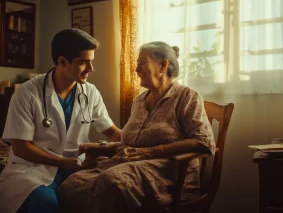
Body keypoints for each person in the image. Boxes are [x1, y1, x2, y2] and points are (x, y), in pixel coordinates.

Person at [58, 41, 216, 213]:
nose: (136, 69)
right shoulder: (139, 101)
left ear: (163, 65)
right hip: (128, 166)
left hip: (169, 174)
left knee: (112, 182)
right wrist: (102, 148)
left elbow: (203, 141)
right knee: (71, 185)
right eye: (137, 64)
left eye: (143, 63)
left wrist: (152, 152)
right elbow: (131, 145)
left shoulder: (187, 97)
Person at [0, 28, 121, 213]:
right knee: (45, 204)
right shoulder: (27, 93)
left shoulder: (90, 92)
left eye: (91, 62)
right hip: (33, 169)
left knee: (108, 196)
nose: (91, 69)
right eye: (83, 62)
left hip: (76, 168)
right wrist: (63, 162)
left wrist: (140, 141)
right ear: (62, 61)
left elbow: (111, 131)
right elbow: (21, 146)